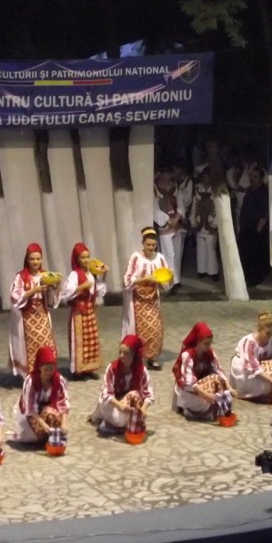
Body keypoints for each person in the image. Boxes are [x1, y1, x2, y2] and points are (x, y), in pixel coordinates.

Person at [8, 242, 62, 376]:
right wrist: (33, 291)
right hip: (27, 317)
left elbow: (51, 299)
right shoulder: (21, 277)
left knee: (45, 344)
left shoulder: (46, 275)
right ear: (27, 260)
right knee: (30, 346)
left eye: (38, 259)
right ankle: (32, 374)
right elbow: (15, 297)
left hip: (42, 316)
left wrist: (57, 287)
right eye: (32, 259)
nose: (35, 262)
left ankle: (46, 373)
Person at [122, 227, 170, 371]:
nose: (150, 247)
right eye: (148, 244)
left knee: (155, 328)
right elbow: (127, 279)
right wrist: (144, 279)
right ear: (143, 243)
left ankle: (151, 357)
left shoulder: (160, 258)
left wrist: (168, 277)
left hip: (152, 299)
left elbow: (166, 279)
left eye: (153, 245)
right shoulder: (136, 257)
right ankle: (136, 358)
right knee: (140, 330)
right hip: (138, 300)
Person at [89, 335, 153, 437]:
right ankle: (116, 423)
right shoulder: (112, 368)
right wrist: (120, 406)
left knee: (134, 395)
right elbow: (106, 392)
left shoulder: (142, 371)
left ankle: (117, 424)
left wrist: (143, 409)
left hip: (129, 404)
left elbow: (148, 394)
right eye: (120, 352)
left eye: (126, 353)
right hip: (114, 403)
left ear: (134, 355)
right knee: (108, 407)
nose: (121, 356)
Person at [61, 242, 106, 379]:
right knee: (80, 341)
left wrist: (103, 275)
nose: (86, 260)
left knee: (91, 341)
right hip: (79, 313)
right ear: (77, 259)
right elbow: (67, 293)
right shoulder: (75, 274)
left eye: (87, 257)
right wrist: (82, 286)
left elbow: (99, 292)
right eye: (83, 257)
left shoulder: (91, 273)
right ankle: (79, 371)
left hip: (90, 311)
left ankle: (89, 368)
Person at [172, 322, 233, 421]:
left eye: (210, 343)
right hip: (188, 389)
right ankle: (189, 409)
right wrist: (207, 396)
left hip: (202, 384)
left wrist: (229, 387)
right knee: (207, 403)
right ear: (198, 341)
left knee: (219, 383)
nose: (208, 346)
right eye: (206, 343)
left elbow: (218, 370)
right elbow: (190, 383)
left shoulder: (209, 352)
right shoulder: (188, 355)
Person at [11, 346, 70, 444]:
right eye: (45, 369)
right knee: (33, 437)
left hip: (49, 409)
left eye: (51, 369)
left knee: (51, 414)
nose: (48, 372)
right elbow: (30, 409)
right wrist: (43, 425)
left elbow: (63, 404)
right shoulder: (31, 381)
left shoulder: (58, 380)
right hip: (32, 414)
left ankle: (50, 436)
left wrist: (64, 424)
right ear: (40, 367)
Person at [230, 311, 272, 401]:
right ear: (259, 329)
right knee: (268, 386)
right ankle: (244, 391)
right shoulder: (249, 343)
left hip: (259, 367)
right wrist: (270, 379)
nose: (270, 336)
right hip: (244, 370)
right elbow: (251, 366)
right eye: (267, 333)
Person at [238, 165, 271, 287]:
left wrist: (257, 230)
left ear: (261, 178)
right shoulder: (250, 191)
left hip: (255, 230)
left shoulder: (262, 193)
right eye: (251, 176)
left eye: (255, 177)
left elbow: (264, 214)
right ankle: (246, 276)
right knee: (246, 254)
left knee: (255, 255)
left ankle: (254, 279)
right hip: (246, 228)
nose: (252, 179)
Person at [153, 171, 185, 292]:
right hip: (165, 227)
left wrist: (177, 217)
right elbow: (155, 209)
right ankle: (168, 282)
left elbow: (181, 205)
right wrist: (167, 220)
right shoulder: (155, 189)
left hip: (177, 225)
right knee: (168, 254)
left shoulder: (175, 188)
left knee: (177, 253)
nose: (168, 179)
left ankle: (176, 280)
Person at [190, 166, 219, 280]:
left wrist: (215, 225)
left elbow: (218, 210)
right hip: (200, 223)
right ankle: (201, 270)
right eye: (204, 177)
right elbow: (194, 207)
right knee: (201, 249)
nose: (206, 180)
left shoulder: (215, 191)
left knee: (211, 249)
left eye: (208, 177)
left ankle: (213, 272)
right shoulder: (198, 191)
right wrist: (193, 222)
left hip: (210, 224)